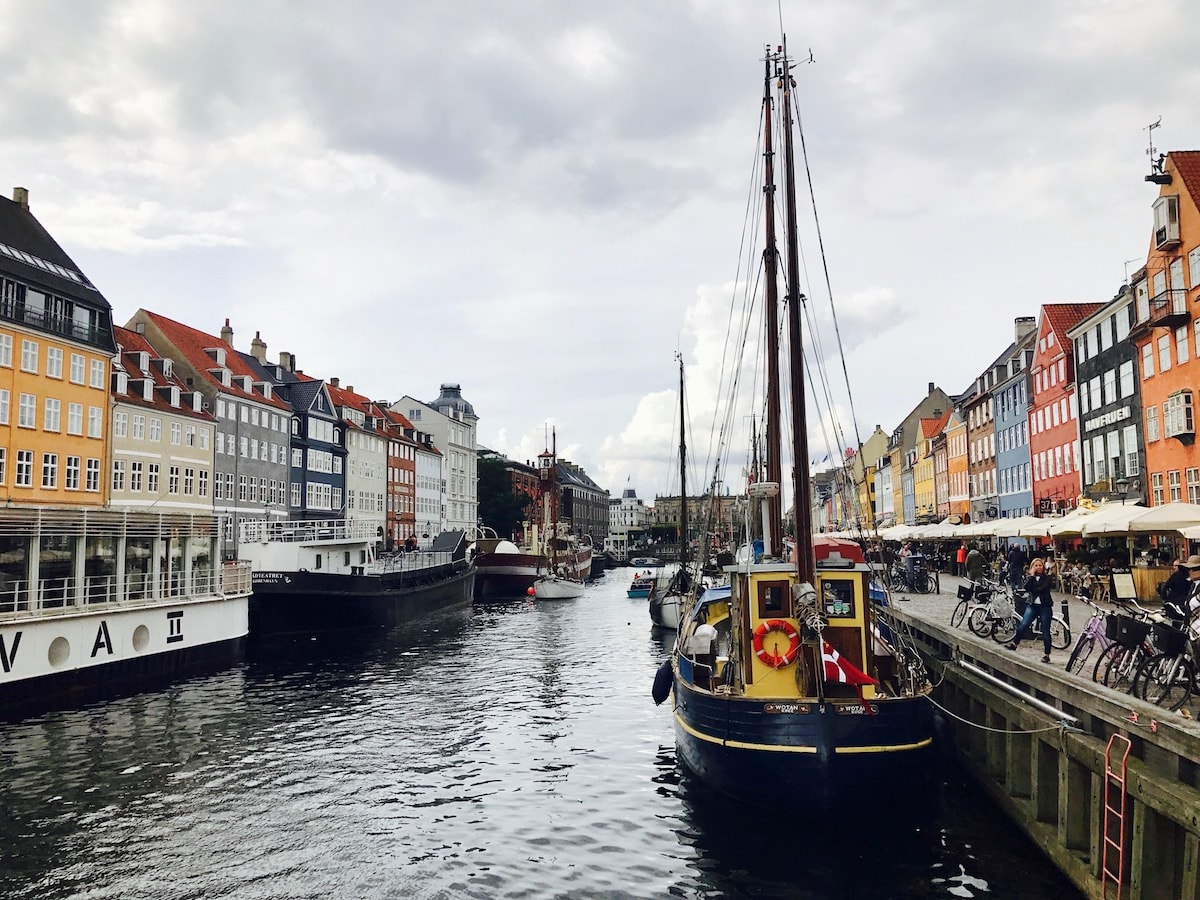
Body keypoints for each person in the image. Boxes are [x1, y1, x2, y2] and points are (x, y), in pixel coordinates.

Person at [1006, 556, 1055, 663]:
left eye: (1040, 565)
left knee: (1045, 631)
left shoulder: (1047, 578)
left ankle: (1047, 654)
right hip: (1032, 605)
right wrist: (1032, 577)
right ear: (1032, 567)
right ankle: (1015, 643)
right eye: (1036, 565)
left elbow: (1043, 589)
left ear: (1043, 567)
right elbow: (1026, 587)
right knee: (1023, 624)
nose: (1038, 567)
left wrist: (1033, 589)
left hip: (1044, 606)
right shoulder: (1030, 577)